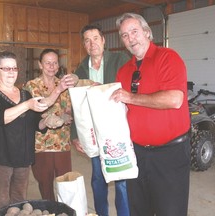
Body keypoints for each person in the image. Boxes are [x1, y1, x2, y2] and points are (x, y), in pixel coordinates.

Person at [110, 13, 191, 216]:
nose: (131, 39)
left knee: (170, 211)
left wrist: (131, 98)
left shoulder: (168, 57)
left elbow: (174, 99)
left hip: (169, 155)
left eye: (134, 32)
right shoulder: (123, 71)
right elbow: (121, 110)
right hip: (136, 154)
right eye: (125, 35)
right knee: (139, 210)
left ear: (147, 32)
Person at [0, 51, 51, 213]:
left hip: (22, 156)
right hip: (0, 157)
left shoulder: (26, 94)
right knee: (2, 201)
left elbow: (34, 123)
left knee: (19, 200)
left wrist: (47, 121)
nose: (11, 72)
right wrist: (27, 105)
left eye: (14, 68)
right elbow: (0, 118)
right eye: (6, 68)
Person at [71, 24, 130, 216]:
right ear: (83, 45)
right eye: (87, 40)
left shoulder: (120, 59)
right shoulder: (80, 71)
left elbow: (131, 87)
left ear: (103, 40)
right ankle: (100, 213)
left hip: (117, 130)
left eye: (95, 38)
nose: (92, 43)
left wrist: (101, 87)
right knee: (98, 177)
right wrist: (75, 135)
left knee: (121, 179)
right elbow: (75, 105)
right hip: (93, 133)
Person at [24, 48, 78, 201]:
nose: (52, 66)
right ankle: (50, 209)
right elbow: (38, 109)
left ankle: (65, 210)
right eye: (48, 63)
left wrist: (67, 115)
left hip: (62, 142)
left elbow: (67, 107)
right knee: (45, 182)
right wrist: (58, 90)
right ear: (40, 65)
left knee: (65, 181)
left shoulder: (63, 84)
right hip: (42, 143)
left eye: (55, 63)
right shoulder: (32, 85)